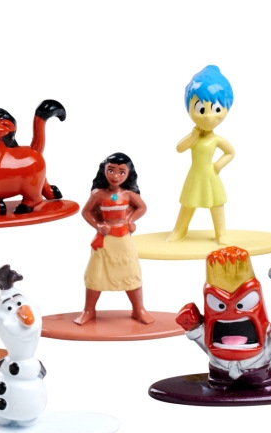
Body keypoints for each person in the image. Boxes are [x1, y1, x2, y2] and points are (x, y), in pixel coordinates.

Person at [75, 152, 154, 325]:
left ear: (128, 174)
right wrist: (98, 225)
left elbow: (142, 207)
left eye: (121, 172)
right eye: (111, 170)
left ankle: (138, 309)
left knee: (131, 272)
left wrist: (130, 220)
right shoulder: (98, 194)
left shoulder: (128, 194)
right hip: (105, 239)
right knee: (95, 273)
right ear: (104, 170)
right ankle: (89, 310)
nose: (115, 176)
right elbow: (86, 212)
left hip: (123, 238)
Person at [168, 65, 234, 242]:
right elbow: (180, 148)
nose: (208, 116)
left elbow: (230, 152)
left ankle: (221, 233)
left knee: (216, 203)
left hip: (211, 176)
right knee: (188, 203)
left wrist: (218, 165)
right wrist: (192, 136)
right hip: (195, 175)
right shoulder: (195, 137)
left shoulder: (216, 139)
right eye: (201, 109)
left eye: (217, 109)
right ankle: (179, 230)